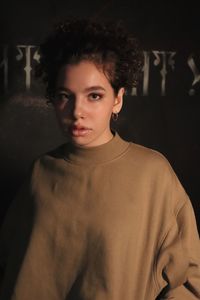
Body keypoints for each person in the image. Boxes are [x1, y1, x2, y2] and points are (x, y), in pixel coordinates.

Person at [0, 18, 200, 300]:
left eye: (94, 96)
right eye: (64, 96)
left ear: (117, 99)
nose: (77, 111)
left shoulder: (153, 174)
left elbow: (187, 283)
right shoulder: (40, 171)